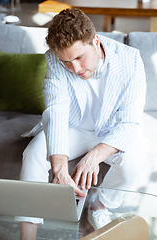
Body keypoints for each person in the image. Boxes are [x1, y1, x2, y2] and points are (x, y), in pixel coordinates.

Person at [16, 8, 146, 240]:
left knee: (134, 162)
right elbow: (55, 111)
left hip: (108, 131)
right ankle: (27, 235)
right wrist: (60, 170)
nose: (75, 69)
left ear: (95, 41)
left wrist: (94, 156)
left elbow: (129, 121)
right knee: (34, 154)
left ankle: (100, 205)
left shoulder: (131, 59)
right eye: (67, 62)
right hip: (71, 127)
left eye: (79, 58)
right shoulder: (54, 58)